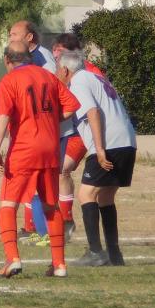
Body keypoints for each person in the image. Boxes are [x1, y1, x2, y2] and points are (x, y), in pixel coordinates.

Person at [0, 45, 79, 278]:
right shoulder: (48, 76)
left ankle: (12, 259)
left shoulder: (9, 81)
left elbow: (4, 115)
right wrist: (49, 120)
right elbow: (71, 106)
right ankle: (59, 264)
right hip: (50, 148)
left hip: (24, 148)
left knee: (8, 203)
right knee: (51, 206)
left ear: (7, 60)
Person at [56, 49, 137, 267]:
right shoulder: (95, 78)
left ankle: (95, 252)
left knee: (86, 194)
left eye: (57, 69)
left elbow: (92, 113)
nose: (56, 73)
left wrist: (99, 149)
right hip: (127, 141)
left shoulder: (78, 81)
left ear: (65, 70)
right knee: (106, 197)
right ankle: (114, 254)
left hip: (109, 143)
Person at [49, 33, 105, 236]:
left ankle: (67, 221)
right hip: (66, 130)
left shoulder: (87, 71)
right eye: (54, 50)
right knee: (56, 172)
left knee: (63, 169)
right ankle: (61, 221)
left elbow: (98, 98)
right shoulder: (58, 70)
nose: (56, 54)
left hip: (81, 131)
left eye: (59, 50)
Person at [8, 20, 58, 242]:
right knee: (31, 185)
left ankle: (46, 232)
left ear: (29, 37)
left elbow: (54, 89)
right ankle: (36, 229)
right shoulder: (25, 63)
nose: (10, 38)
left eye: (14, 34)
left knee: (42, 187)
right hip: (32, 132)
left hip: (44, 132)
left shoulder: (43, 59)